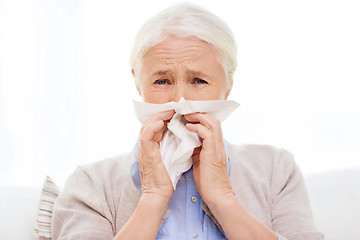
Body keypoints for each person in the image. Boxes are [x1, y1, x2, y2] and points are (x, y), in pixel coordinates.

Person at [52, 3, 324, 240]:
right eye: (162, 81)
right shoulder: (90, 185)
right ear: (137, 81)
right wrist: (153, 198)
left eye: (199, 81)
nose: (180, 101)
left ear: (227, 86)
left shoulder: (277, 171)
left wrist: (223, 198)